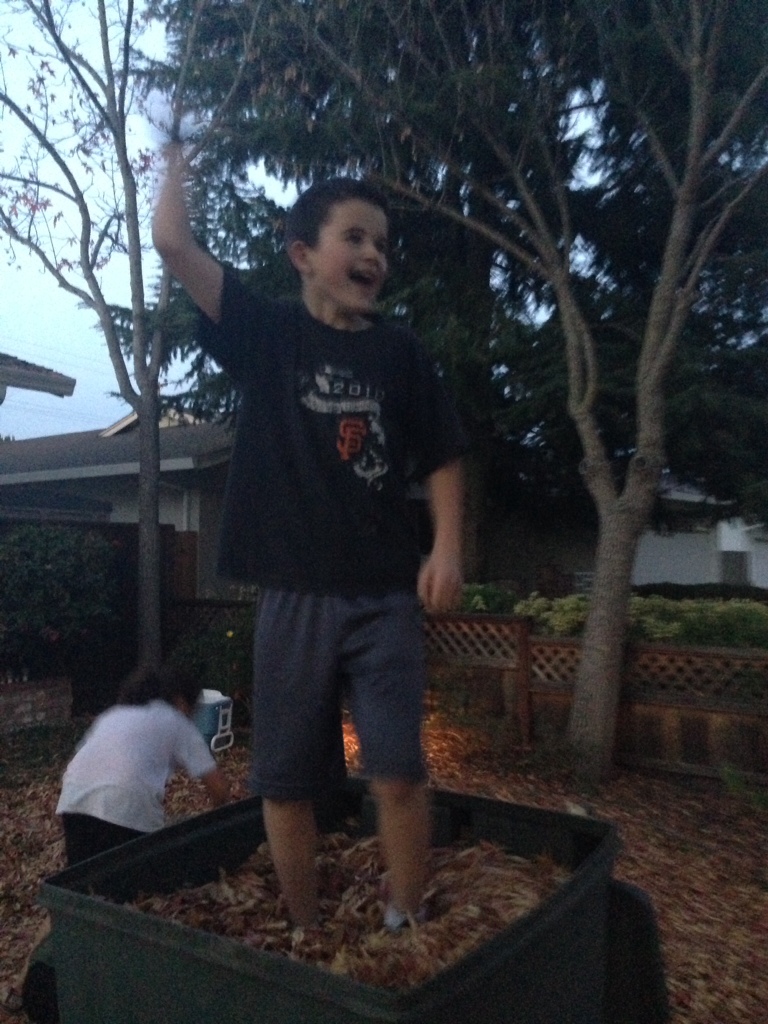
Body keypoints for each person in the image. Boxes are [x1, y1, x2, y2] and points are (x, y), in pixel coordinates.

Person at [152, 145, 468, 931]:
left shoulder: (399, 354)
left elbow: (443, 454)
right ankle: (304, 925)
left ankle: (405, 920)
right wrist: (176, 167)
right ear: (303, 255)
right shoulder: (266, 334)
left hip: (383, 598)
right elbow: (174, 246)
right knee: (286, 783)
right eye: (354, 237)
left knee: (399, 773)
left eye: (381, 243)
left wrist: (446, 547)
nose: (373, 255)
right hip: (292, 598)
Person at [1, 664, 230, 1018]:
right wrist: (221, 832)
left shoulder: (113, 716)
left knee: (75, 896)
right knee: (138, 900)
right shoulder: (175, 721)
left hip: (75, 804)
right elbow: (219, 789)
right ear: (180, 700)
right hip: (125, 810)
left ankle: (21, 985)